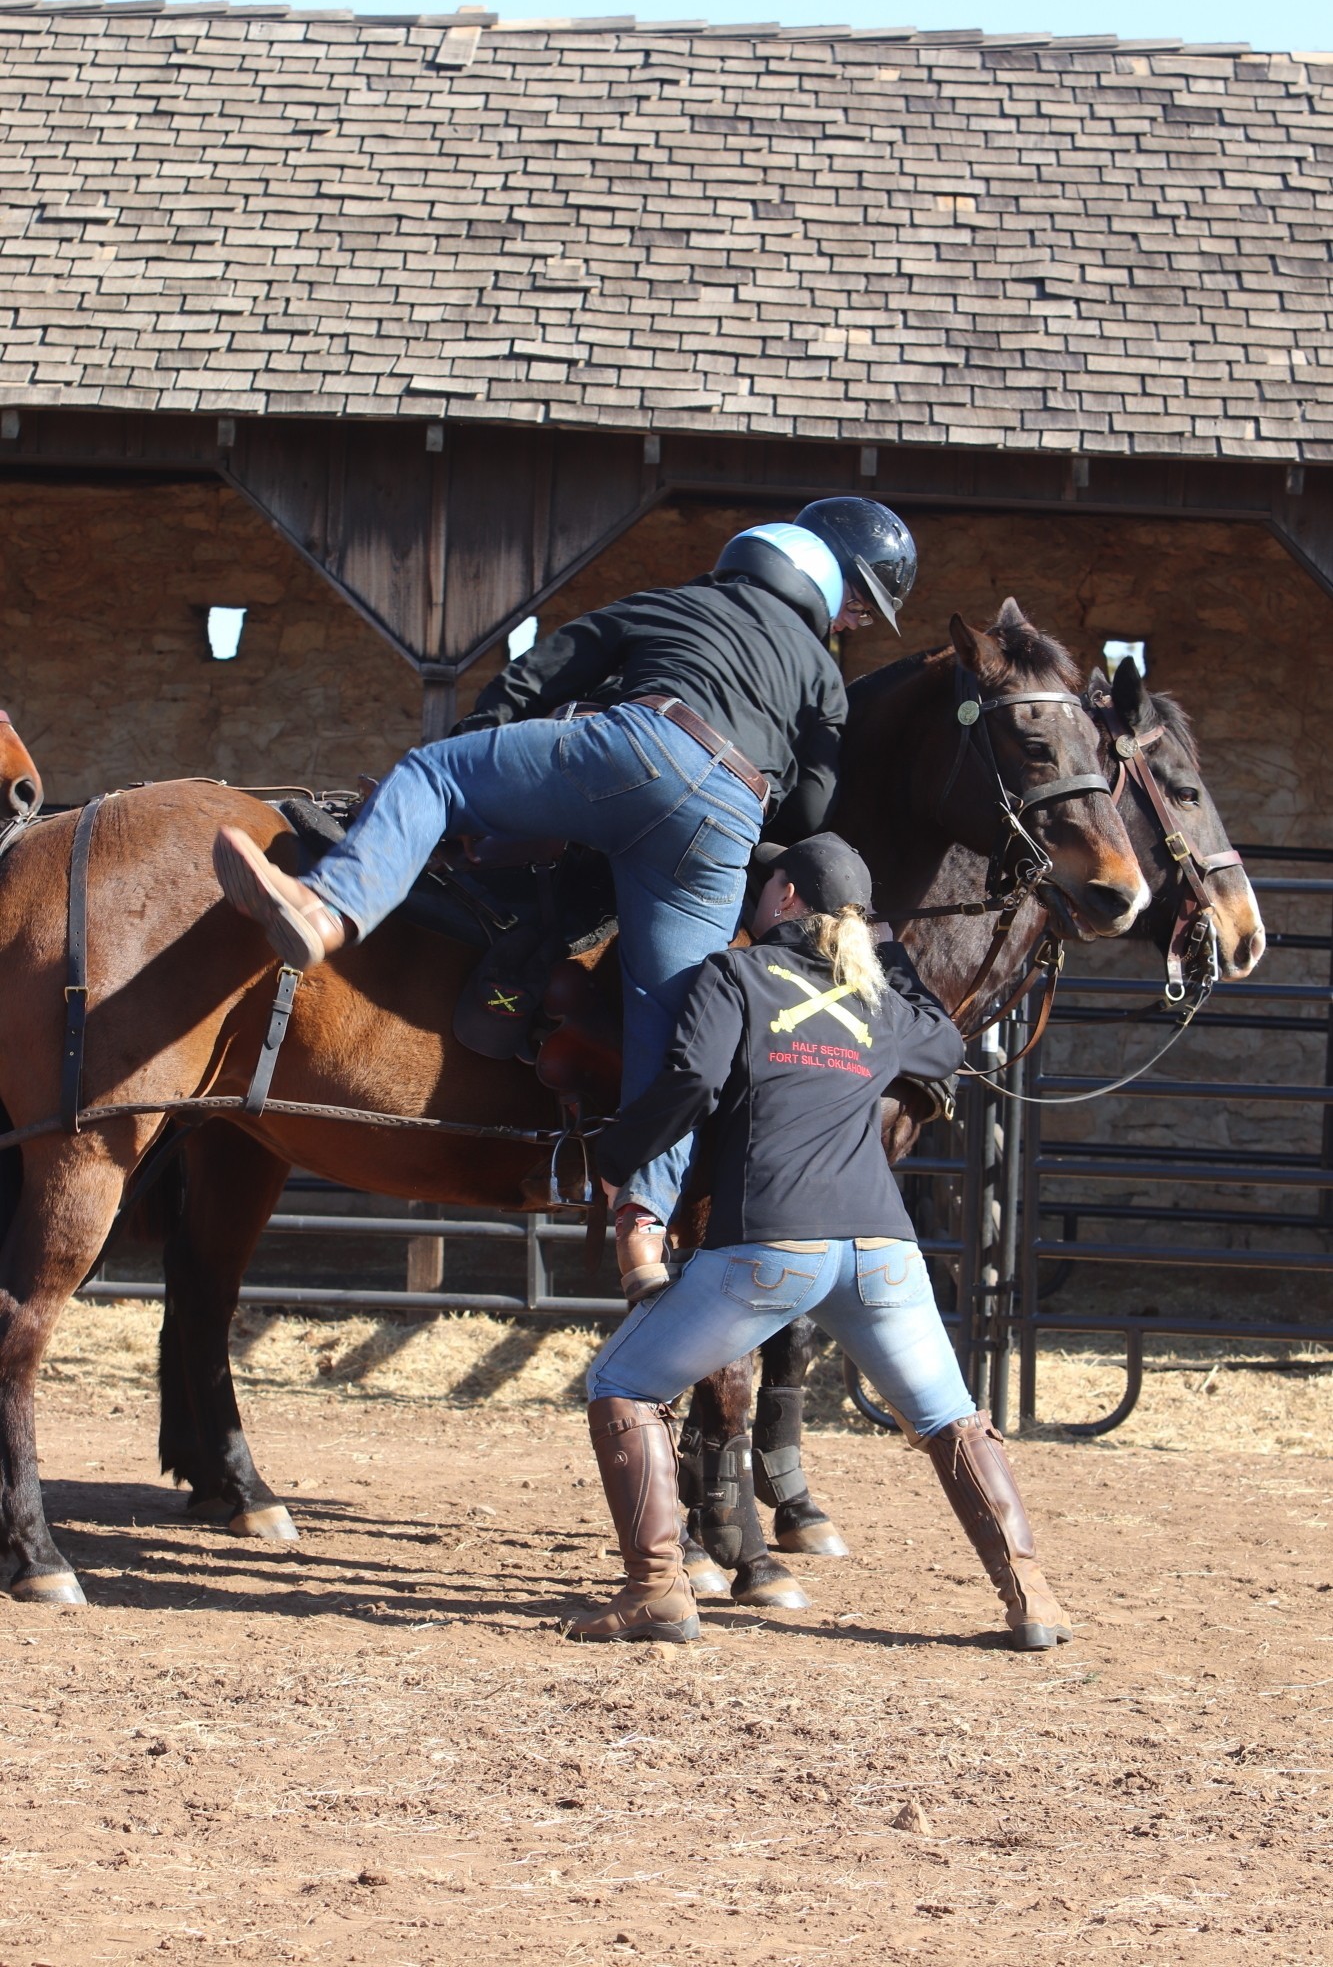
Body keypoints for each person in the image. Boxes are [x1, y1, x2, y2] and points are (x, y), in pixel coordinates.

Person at [212, 501, 918, 1303]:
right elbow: (811, 812)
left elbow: (535, 675)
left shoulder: (672, 603)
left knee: (432, 775)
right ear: (819, 585)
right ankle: (643, 1228)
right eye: (857, 603)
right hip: (725, 818)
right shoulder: (822, 673)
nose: (855, 618)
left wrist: (481, 746)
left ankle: (323, 911)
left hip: (632, 749)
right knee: (669, 1024)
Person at [567, 832, 1072, 1653]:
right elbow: (945, 1044)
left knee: (621, 1384)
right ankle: (1033, 1598)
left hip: (770, 1246)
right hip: (880, 1251)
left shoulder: (733, 974)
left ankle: (655, 1592)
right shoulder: (878, 1001)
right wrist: (881, 951)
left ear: (786, 901)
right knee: (951, 1418)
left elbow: (691, 1081)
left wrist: (618, 1159)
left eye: (767, 886)